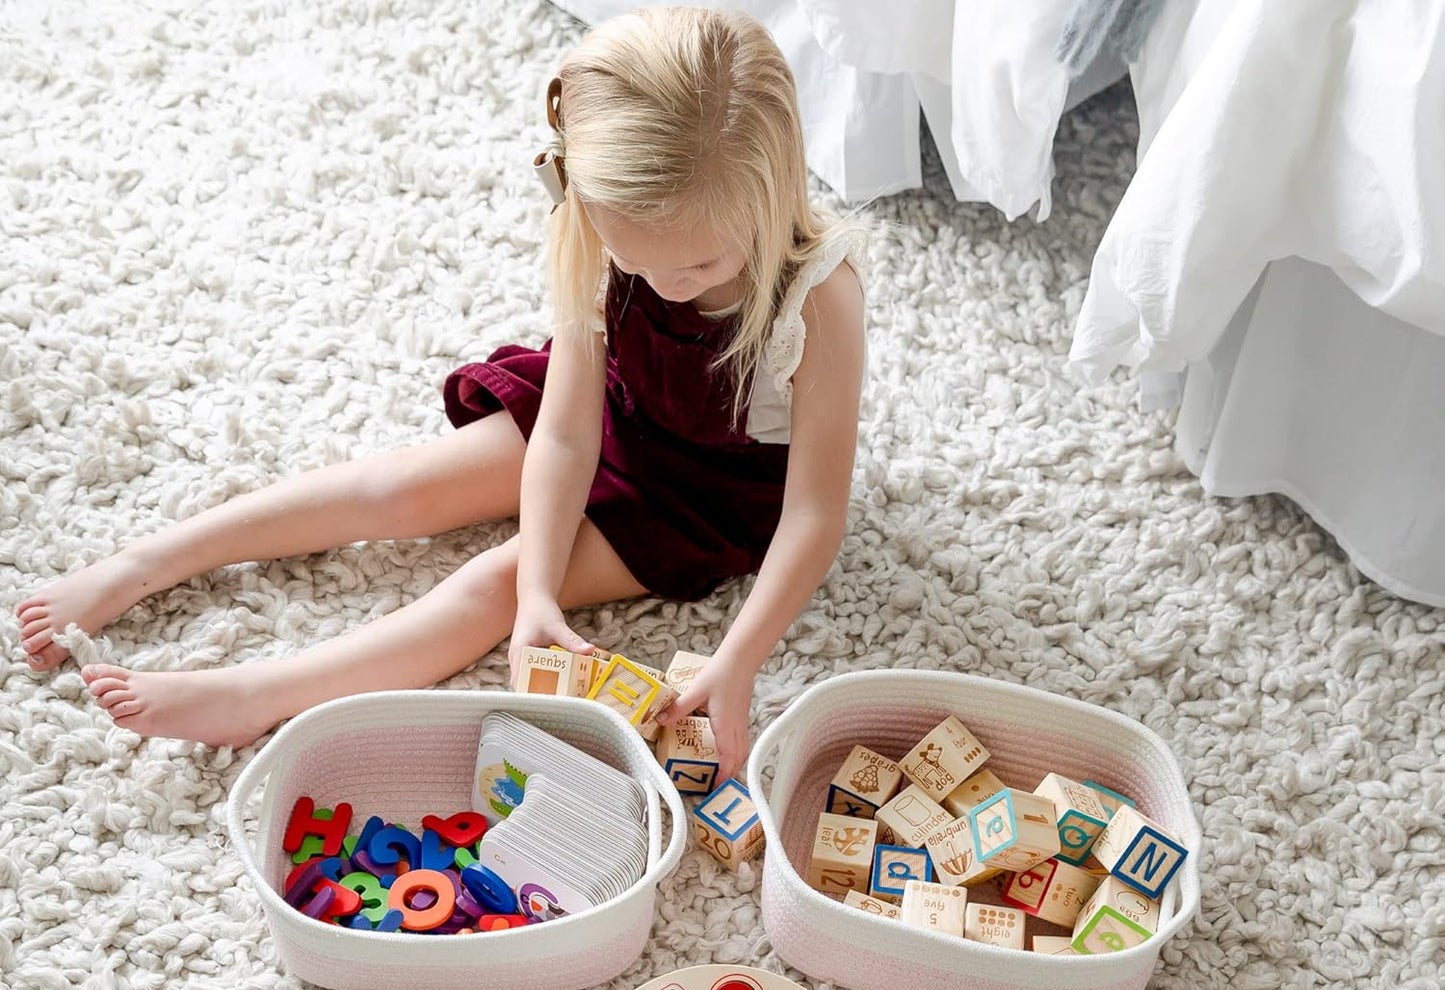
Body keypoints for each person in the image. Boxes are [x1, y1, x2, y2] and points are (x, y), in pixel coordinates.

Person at [16, 7, 866, 781]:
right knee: (399, 487)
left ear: (770, 193)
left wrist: (735, 654)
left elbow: (814, 513)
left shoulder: (818, 299)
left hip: (705, 493)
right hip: (613, 411)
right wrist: (546, 579)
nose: (665, 287)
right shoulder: (601, 231)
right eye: (639, 265)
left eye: (700, 267)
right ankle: (142, 564)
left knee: (488, 586)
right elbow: (567, 434)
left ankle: (256, 694)